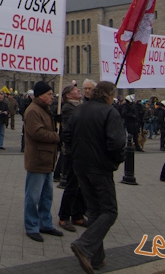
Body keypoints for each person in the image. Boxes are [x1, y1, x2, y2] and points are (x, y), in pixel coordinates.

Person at [68, 81, 126, 274]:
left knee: (94, 211)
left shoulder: (80, 109)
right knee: (109, 211)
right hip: (99, 168)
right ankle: (84, 245)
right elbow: (117, 142)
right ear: (109, 95)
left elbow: (67, 134)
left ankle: (96, 257)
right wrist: (115, 160)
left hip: (80, 166)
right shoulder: (110, 112)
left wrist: (74, 154)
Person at [22, 81, 63, 242]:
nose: (52, 97)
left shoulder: (45, 110)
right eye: (49, 94)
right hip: (38, 159)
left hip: (47, 159)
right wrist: (56, 136)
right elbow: (38, 133)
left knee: (47, 195)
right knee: (33, 196)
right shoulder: (33, 111)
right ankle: (31, 225)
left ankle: (45, 223)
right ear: (40, 96)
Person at [57, 84, 87, 232]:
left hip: (83, 151)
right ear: (68, 95)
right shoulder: (69, 108)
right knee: (72, 186)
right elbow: (73, 129)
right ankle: (64, 216)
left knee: (83, 185)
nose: (79, 90)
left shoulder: (80, 106)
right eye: (75, 90)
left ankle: (77, 214)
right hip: (73, 152)